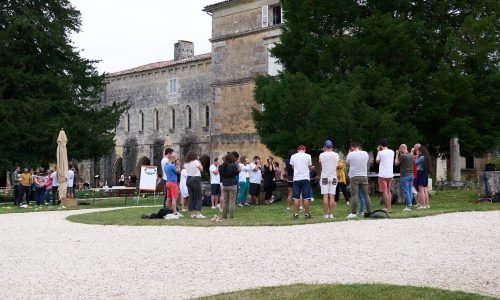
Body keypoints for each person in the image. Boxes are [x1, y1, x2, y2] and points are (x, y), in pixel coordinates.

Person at [346, 142, 373, 219]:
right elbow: (366, 162)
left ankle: (354, 212)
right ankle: (369, 211)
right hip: (364, 175)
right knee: (366, 195)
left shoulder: (350, 154)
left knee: (354, 195)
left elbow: (347, 164)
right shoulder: (365, 153)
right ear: (359, 146)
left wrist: (349, 154)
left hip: (354, 176)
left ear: (351, 147)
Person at [290, 145, 313, 219]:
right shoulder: (308, 156)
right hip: (305, 178)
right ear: (305, 150)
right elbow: (309, 167)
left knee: (296, 197)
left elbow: (293, 167)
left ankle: (296, 215)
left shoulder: (293, 156)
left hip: (296, 178)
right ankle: (307, 214)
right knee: (306, 197)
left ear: (298, 150)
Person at [319, 140, 339, 219]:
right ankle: (331, 214)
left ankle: (326, 214)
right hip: (333, 177)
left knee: (325, 196)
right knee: (332, 196)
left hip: (324, 176)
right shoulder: (336, 155)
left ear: (325, 147)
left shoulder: (322, 155)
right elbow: (337, 164)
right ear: (332, 146)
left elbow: (321, 163)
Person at [376, 139, 395, 212]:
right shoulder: (392, 151)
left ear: (380, 145)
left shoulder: (380, 152)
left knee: (384, 191)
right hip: (390, 173)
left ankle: (388, 208)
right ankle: (389, 207)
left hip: (383, 174)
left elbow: (377, 161)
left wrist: (378, 151)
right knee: (388, 190)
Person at [219, 153, 240, 219]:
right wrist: (239, 171)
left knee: (225, 202)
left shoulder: (221, 166)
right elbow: (236, 173)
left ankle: (224, 216)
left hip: (225, 184)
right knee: (232, 201)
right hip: (232, 184)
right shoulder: (233, 165)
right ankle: (231, 216)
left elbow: (221, 173)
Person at [184, 152, 205, 218]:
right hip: (195, 179)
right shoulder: (196, 161)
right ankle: (198, 213)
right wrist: (198, 160)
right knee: (199, 197)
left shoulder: (186, 163)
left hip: (188, 179)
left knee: (191, 197)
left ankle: (192, 213)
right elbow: (201, 169)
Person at [395, 144, 414, 211]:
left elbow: (396, 163)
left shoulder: (402, 156)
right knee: (409, 190)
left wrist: (397, 154)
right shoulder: (411, 155)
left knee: (406, 191)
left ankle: (409, 206)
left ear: (401, 149)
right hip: (411, 174)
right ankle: (409, 204)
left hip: (404, 175)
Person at [164, 153, 181, 217]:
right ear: (172, 158)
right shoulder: (172, 166)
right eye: (175, 158)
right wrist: (178, 166)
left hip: (168, 182)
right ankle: (175, 212)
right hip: (173, 183)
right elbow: (178, 171)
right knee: (174, 198)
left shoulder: (166, 165)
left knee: (168, 198)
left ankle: (167, 210)